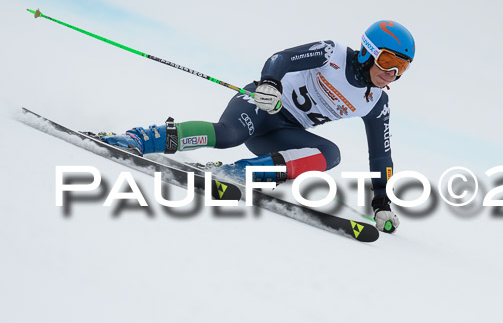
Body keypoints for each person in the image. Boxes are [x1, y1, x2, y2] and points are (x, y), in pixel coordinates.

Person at [101, 20, 415, 233]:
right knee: (228, 135)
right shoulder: (332, 54)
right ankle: (139, 139)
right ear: (369, 51)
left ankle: (240, 173)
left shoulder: (376, 102)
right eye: (388, 60)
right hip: (263, 104)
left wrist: (381, 202)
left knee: (330, 154)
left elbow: (381, 157)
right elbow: (281, 58)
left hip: (282, 134)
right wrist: (270, 84)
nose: (392, 73)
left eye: (401, 68)